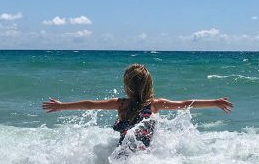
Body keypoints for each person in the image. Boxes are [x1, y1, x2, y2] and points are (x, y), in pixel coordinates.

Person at [42, 63, 233, 149]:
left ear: (126, 86)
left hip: (122, 153)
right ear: (150, 85)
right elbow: (185, 104)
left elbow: (89, 105)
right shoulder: (155, 105)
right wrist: (214, 102)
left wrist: (61, 106)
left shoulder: (121, 104)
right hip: (144, 157)